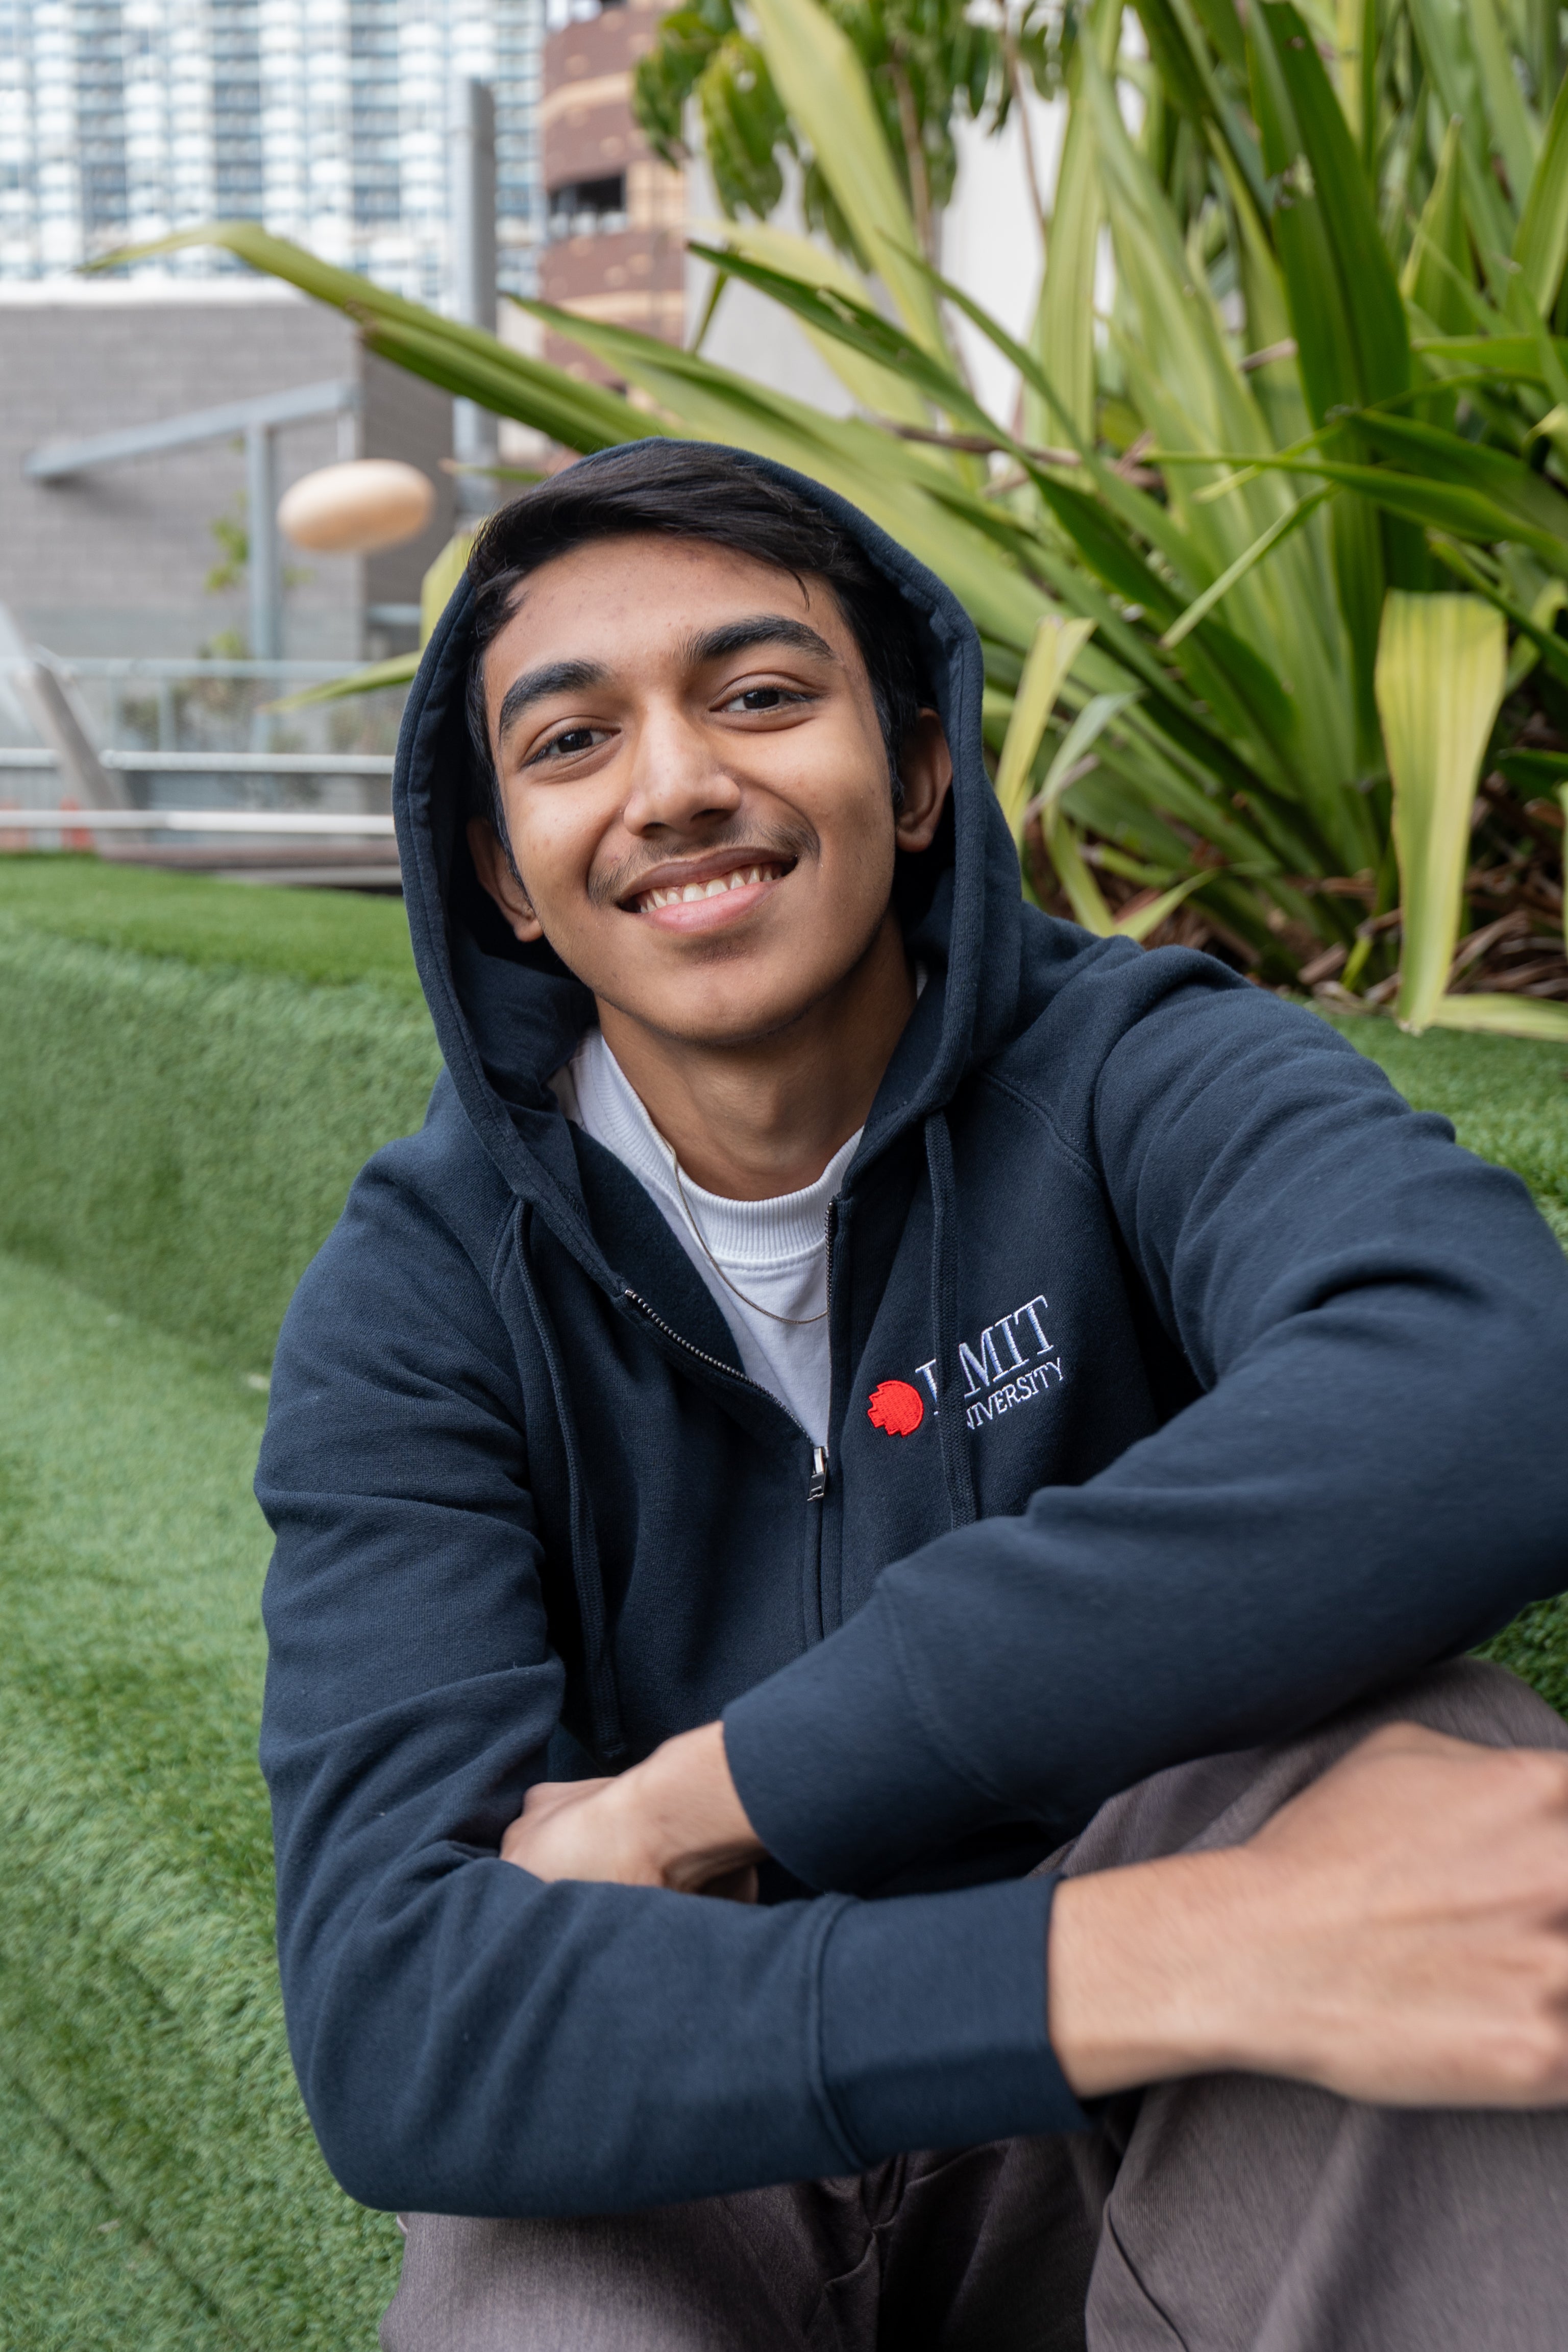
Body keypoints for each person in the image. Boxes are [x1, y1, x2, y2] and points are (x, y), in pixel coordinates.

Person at [258, 441, 1568, 2351]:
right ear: (504, 878)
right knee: (525, 2287)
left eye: (760, 695)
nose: (673, 784)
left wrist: (713, 1794)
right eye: (571, 743)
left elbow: (1489, 1382)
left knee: (1443, 1768)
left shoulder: (1133, 1067)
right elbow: (403, 2019)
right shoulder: (423, 1285)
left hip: (1172, 2133)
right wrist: (1171, 1956)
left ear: (923, 768)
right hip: (721, 2127)